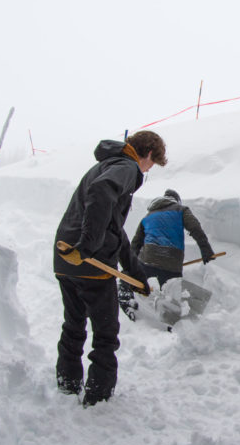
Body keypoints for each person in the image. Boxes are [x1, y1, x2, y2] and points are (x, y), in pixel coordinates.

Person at [53, 130, 166, 406]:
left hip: (66, 258)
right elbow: (102, 191)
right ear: (148, 154)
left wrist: (135, 274)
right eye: (151, 165)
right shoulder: (126, 167)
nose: (147, 170)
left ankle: (68, 384)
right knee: (105, 335)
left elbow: (114, 229)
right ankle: (98, 396)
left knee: (74, 324)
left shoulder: (106, 163)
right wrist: (89, 246)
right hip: (91, 262)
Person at [119, 189, 215, 319]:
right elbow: (195, 228)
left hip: (147, 261)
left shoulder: (148, 216)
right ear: (176, 200)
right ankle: (179, 322)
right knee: (173, 293)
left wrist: (129, 269)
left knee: (128, 280)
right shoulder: (181, 209)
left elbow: (135, 244)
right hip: (172, 263)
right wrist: (206, 250)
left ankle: (126, 298)